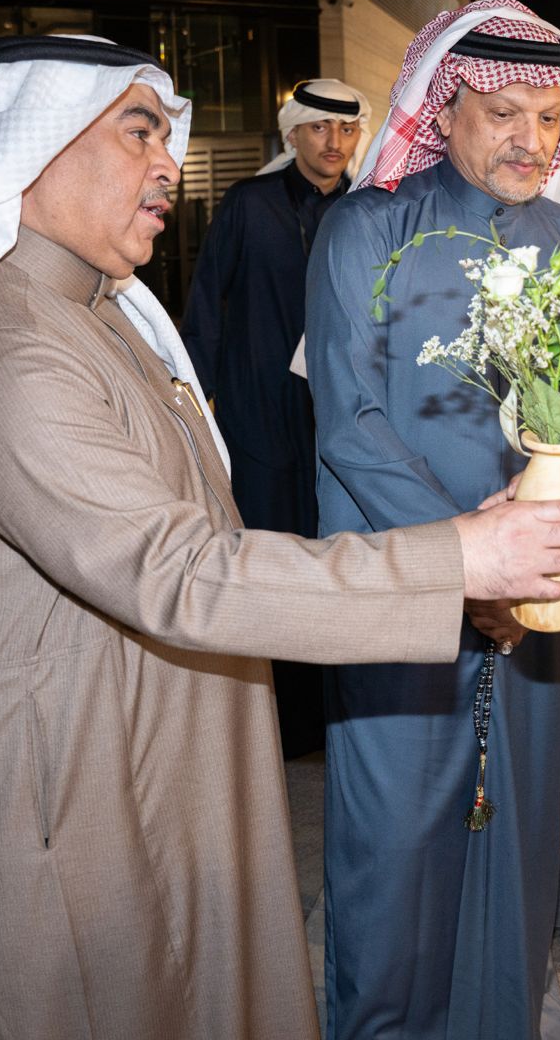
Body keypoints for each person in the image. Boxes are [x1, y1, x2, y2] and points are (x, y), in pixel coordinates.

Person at [0, 33, 560, 1039]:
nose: (170, 163)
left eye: (165, 137)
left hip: (160, 738)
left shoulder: (89, 314)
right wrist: (464, 561)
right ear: (31, 150)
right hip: (72, 785)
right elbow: (183, 567)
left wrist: (546, 527)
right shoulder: (7, 352)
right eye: (139, 134)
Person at [305, 0, 560, 1040]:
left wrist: (553, 545)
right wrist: (466, 564)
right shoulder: (368, 228)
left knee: (518, 835)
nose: (531, 140)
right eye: (502, 114)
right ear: (442, 114)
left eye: (547, 116)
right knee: (392, 843)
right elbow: (348, 423)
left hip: (526, 594)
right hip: (400, 583)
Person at [180, 77, 371, 757]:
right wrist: (192, 405)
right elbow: (207, 303)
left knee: (333, 560)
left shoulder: (367, 210)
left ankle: (331, 721)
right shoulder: (250, 205)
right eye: (320, 129)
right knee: (268, 564)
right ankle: (271, 727)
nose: (334, 144)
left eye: (346, 131)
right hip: (257, 418)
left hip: (339, 426)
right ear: (292, 133)